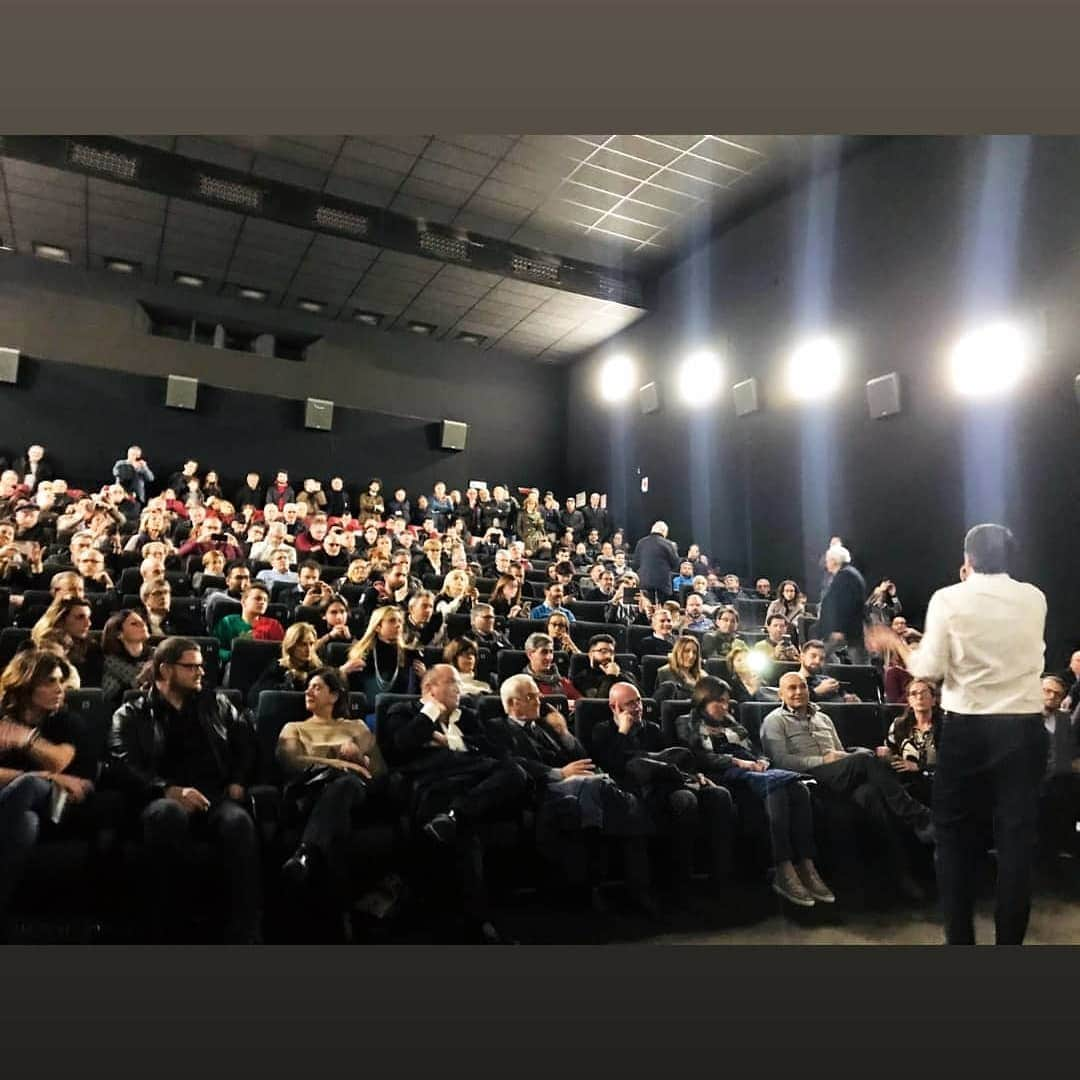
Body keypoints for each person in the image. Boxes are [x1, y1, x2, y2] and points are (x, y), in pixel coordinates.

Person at [868, 524, 1048, 945]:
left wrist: (896, 641)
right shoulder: (1034, 597)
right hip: (1023, 731)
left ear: (966, 560)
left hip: (969, 733)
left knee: (952, 844)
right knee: (1015, 847)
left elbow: (929, 670)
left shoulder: (948, 598)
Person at [109, 637, 260, 942]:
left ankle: (242, 933)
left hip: (214, 796)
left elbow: (247, 745)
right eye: (191, 667)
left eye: (201, 666)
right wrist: (168, 790)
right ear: (165, 670)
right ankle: (168, 930)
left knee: (238, 822)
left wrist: (238, 781)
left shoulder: (216, 703)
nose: (201, 672)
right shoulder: (131, 712)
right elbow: (122, 762)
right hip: (160, 797)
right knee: (167, 816)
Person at [383, 665, 526, 943]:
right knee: (465, 833)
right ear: (429, 688)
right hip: (434, 784)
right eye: (452, 683)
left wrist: (449, 741)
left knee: (514, 773)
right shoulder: (403, 711)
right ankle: (476, 923)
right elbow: (400, 747)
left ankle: (453, 816)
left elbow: (494, 751)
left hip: (470, 784)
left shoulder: (469, 716)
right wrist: (430, 714)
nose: (459, 690)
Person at [761, 672, 935, 900]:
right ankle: (917, 815)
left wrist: (844, 756)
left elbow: (839, 750)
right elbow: (781, 761)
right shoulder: (774, 721)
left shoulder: (823, 718)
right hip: (806, 775)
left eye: (802, 687)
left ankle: (899, 877)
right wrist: (824, 760)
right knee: (865, 760)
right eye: (791, 688)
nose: (798, 692)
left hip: (837, 773)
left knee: (873, 794)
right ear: (781, 694)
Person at [675, 676, 834, 906]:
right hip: (722, 776)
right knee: (776, 789)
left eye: (727, 701)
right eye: (718, 701)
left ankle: (807, 865)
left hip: (752, 773)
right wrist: (736, 762)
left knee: (798, 788)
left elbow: (755, 749)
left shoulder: (731, 722)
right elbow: (696, 756)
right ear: (703, 700)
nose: (725, 707)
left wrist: (761, 761)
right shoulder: (686, 721)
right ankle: (783, 868)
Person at [591, 682, 735, 896]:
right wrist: (623, 731)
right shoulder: (604, 730)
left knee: (720, 795)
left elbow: (673, 758)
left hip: (667, 783)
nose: (638, 707)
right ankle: (680, 883)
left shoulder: (653, 729)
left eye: (638, 701)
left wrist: (695, 775)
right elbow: (612, 765)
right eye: (630, 704)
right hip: (637, 789)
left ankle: (721, 879)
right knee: (685, 799)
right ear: (614, 707)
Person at [276, 668, 386, 907]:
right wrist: (339, 763)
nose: (308, 691)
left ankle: (306, 853)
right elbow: (292, 763)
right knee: (340, 801)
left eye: (316, 687)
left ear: (334, 695)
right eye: (308, 687)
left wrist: (359, 758)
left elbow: (378, 770)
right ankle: (343, 912)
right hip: (309, 793)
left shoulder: (356, 726)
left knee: (345, 785)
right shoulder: (294, 727)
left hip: (355, 794)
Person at [875, 677, 940, 808]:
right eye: (914, 694)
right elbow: (892, 753)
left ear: (933, 700)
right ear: (909, 701)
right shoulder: (899, 725)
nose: (919, 697)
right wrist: (887, 755)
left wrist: (920, 767)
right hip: (907, 782)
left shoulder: (946, 727)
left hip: (937, 781)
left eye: (924, 693)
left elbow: (954, 764)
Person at [342, 606, 423, 710]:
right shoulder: (363, 654)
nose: (398, 625)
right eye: (392, 621)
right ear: (377, 627)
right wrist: (343, 672)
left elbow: (417, 693)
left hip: (401, 714)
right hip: (368, 712)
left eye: (400, 621)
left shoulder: (411, 655)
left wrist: (425, 677)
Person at [1036, 675, 1080, 860]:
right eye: (1047, 691)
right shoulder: (1024, 720)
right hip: (1033, 785)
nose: (1052, 696)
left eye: (1057, 693)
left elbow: (1068, 750)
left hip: (1060, 786)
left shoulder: (1064, 720)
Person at [246, 622, 323, 709]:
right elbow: (254, 698)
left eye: (311, 644)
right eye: (303, 644)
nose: (308, 649)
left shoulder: (317, 669)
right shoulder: (277, 668)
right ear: (291, 646)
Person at [816, 544, 868, 663]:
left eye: (828, 560)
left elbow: (846, 605)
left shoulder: (846, 576)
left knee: (819, 655)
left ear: (834, 561)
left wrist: (839, 629)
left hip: (845, 629)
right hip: (848, 630)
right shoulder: (847, 574)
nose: (826, 563)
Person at [213, 582, 284, 663]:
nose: (262, 602)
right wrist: (237, 651)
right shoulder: (228, 622)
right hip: (236, 666)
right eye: (258, 598)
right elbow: (217, 649)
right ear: (243, 601)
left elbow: (282, 651)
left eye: (265, 600)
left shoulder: (274, 625)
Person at [100, 609, 152, 711]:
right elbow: (110, 698)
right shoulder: (110, 663)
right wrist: (140, 679)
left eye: (143, 621)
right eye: (134, 624)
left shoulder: (156, 655)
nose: (143, 624)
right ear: (119, 634)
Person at [572, 634, 637, 699]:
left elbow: (643, 700)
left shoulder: (626, 675)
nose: (608, 656)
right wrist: (610, 676)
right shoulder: (583, 678)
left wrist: (619, 675)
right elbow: (597, 703)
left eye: (611, 652)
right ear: (591, 654)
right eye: (603, 651)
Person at [631, 521, 681, 604]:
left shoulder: (641, 542)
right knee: (660, 611)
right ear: (664, 532)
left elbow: (635, 564)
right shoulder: (668, 544)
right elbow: (676, 563)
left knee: (645, 610)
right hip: (662, 586)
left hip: (643, 584)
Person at [798, 639, 860, 703]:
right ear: (802, 657)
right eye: (813, 656)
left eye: (821, 658)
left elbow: (844, 696)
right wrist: (817, 692)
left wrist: (849, 698)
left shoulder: (828, 680)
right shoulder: (792, 680)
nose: (817, 661)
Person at [522, 632, 579, 700]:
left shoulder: (562, 682)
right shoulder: (523, 684)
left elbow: (583, 704)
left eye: (551, 652)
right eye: (544, 652)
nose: (549, 657)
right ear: (530, 654)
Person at [653, 636, 703, 704]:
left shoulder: (702, 675)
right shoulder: (665, 672)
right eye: (686, 651)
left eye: (694, 652)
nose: (691, 656)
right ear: (678, 652)